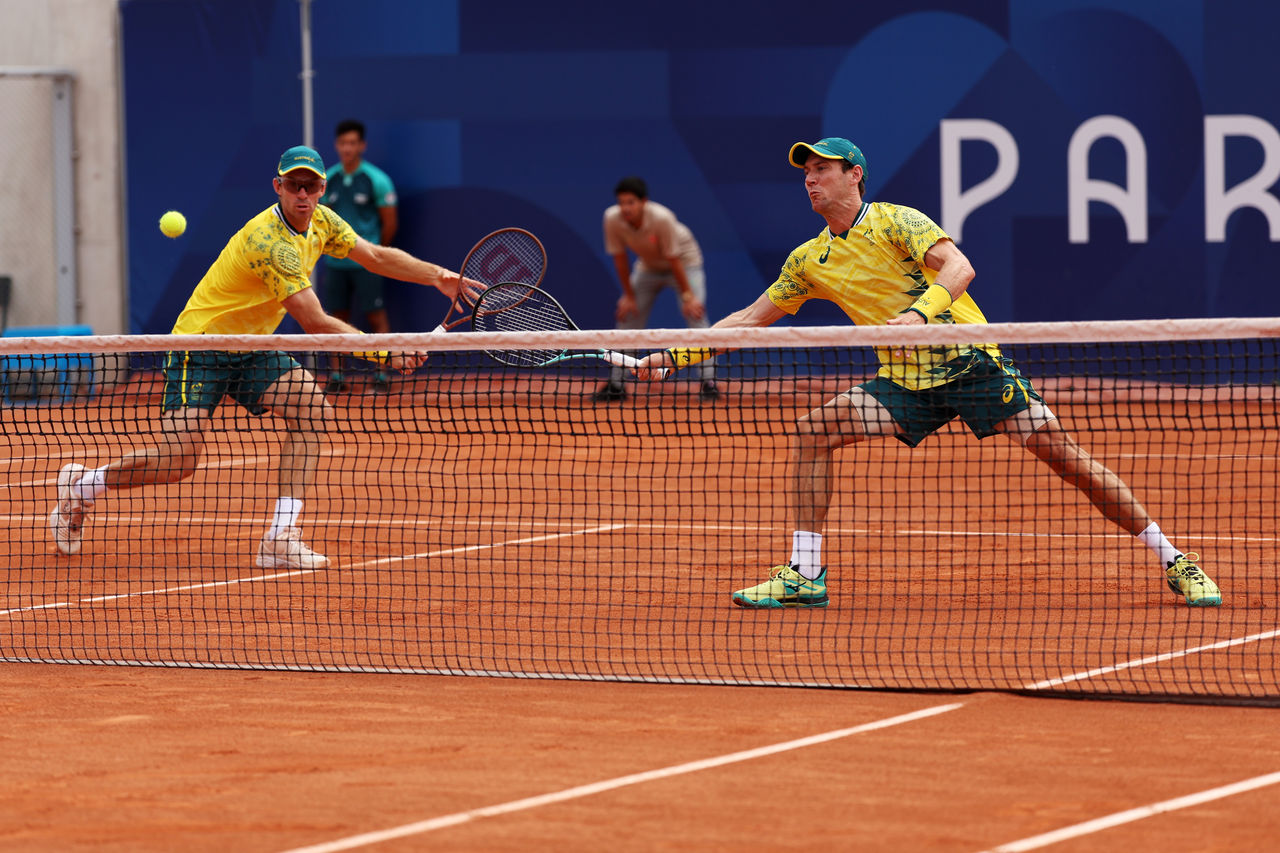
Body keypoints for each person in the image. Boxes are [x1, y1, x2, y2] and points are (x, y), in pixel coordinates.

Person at [635, 137, 1222, 609]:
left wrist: (917, 313)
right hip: (906, 384)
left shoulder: (897, 222)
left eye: (823, 169)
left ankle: (1174, 559)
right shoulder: (809, 259)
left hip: (971, 363)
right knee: (816, 430)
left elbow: (959, 267)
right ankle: (805, 573)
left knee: (1067, 459)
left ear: (854, 175)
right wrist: (673, 355)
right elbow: (748, 318)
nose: (811, 179)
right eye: (806, 172)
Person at [48, 145, 476, 570]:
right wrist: (384, 352)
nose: (302, 194)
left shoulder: (323, 222)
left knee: (312, 412)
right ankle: (82, 488)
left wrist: (439, 276)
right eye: (294, 185)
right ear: (279, 187)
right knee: (177, 462)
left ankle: (280, 537)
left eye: (310, 185)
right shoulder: (270, 243)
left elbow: (376, 256)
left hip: (251, 347)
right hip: (200, 347)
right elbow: (313, 320)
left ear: (322, 189)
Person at [596, 176, 717, 402]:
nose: (625, 208)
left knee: (696, 316)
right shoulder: (612, 219)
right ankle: (616, 384)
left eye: (631, 202)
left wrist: (688, 297)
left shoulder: (662, 218)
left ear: (644, 202)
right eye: (621, 202)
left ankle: (708, 382)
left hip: (684, 264)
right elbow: (620, 259)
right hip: (648, 268)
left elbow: (674, 260)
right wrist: (628, 296)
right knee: (628, 317)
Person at [320, 119, 399, 393]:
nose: (347, 148)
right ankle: (337, 376)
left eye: (352, 143)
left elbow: (389, 223)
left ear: (362, 146)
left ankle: (381, 374)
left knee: (376, 316)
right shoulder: (328, 180)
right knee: (335, 319)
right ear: (337, 145)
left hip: (366, 264)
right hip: (335, 264)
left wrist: (373, 254)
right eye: (343, 143)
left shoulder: (376, 180)